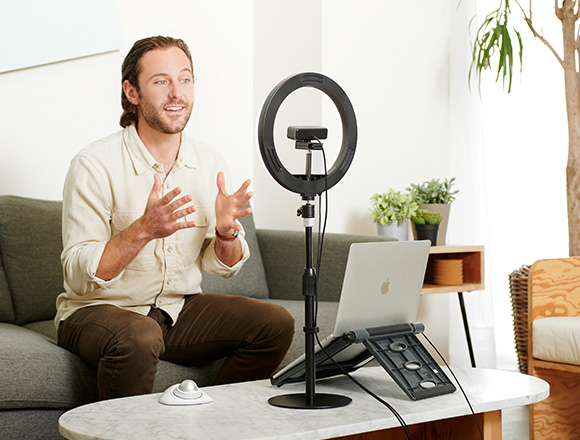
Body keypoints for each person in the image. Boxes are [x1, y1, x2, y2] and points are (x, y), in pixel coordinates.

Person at [55, 36, 294, 400]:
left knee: (275, 324)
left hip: (176, 310)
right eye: (161, 81)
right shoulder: (93, 165)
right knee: (140, 335)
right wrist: (143, 230)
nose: (176, 93)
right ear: (131, 92)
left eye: (184, 79)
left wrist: (227, 236)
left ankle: (210, 422)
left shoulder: (209, 162)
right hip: (96, 310)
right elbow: (77, 274)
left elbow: (222, 265)